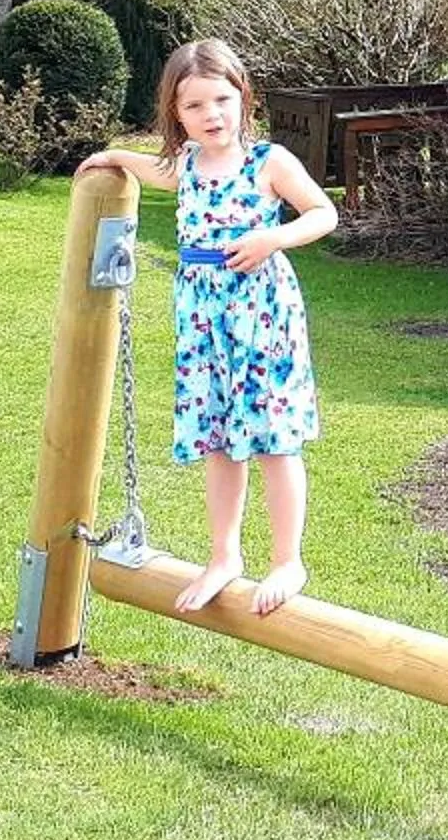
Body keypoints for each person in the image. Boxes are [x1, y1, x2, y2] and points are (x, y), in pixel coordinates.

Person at [79, 39, 337, 616]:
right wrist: (114, 155)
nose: (211, 115)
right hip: (203, 317)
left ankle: (287, 559)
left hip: (263, 313)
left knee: (274, 438)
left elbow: (324, 212)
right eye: (194, 106)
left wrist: (272, 237)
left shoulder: (268, 161)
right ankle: (224, 555)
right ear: (175, 112)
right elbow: (151, 168)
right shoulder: (187, 165)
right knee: (220, 439)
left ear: (242, 97)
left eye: (221, 100)